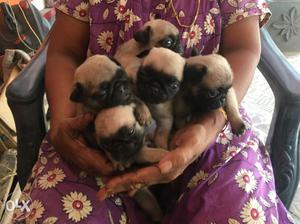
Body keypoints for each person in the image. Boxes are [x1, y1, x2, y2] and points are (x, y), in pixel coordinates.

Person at [13, 0, 295, 223]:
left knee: (239, 209)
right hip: (98, 129)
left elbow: (243, 47)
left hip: (204, 121)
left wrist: (207, 126)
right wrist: (64, 124)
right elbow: (64, 50)